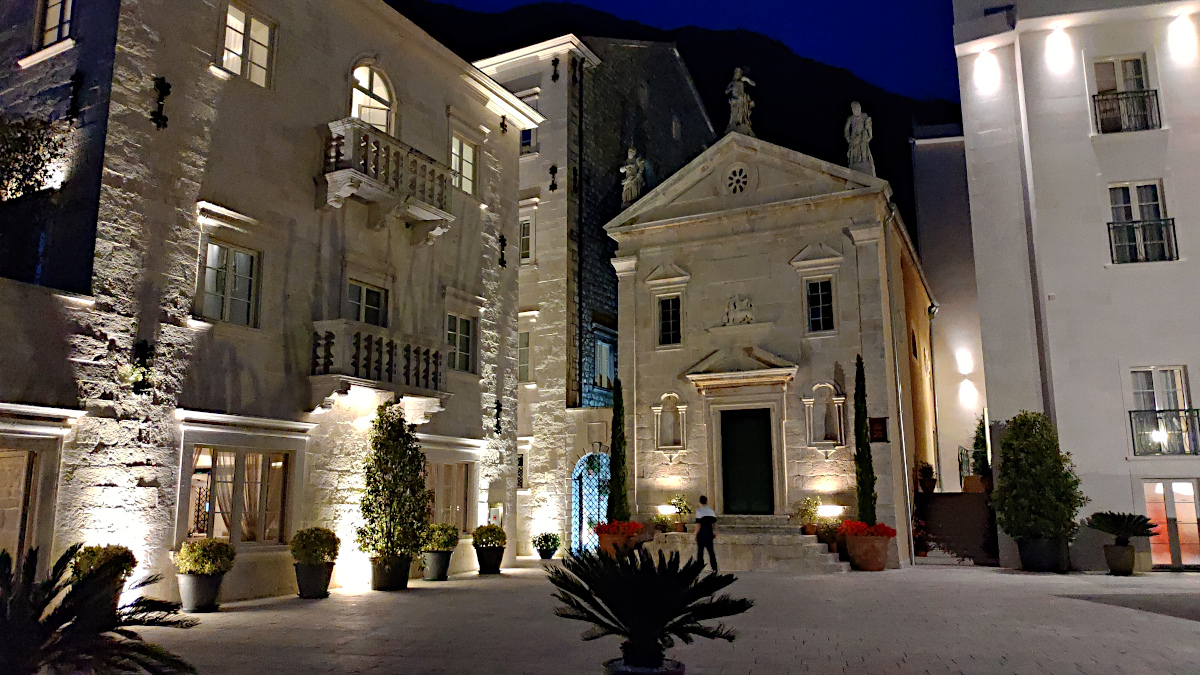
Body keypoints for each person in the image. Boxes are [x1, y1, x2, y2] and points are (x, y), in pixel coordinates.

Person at [695, 495, 718, 572]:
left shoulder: (699, 511)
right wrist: (714, 531)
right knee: (711, 551)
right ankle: (714, 568)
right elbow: (714, 523)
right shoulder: (711, 511)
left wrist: (695, 534)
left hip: (702, 533)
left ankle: (699, 567)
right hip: (709, 532)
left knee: (700, 552)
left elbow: (698, 524)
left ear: (700, 502)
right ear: (706, 501)